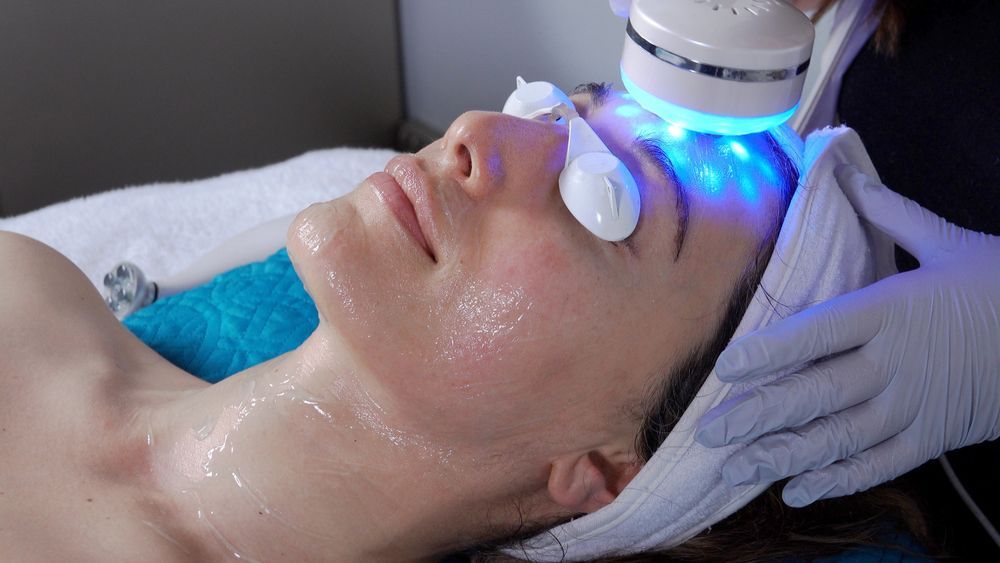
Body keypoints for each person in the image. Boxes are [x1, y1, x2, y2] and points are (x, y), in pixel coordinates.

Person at [0, 81, 935, 561]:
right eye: (554, 111)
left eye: (608, 200)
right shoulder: (25, 289)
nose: (479, 133)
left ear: (608, 473)